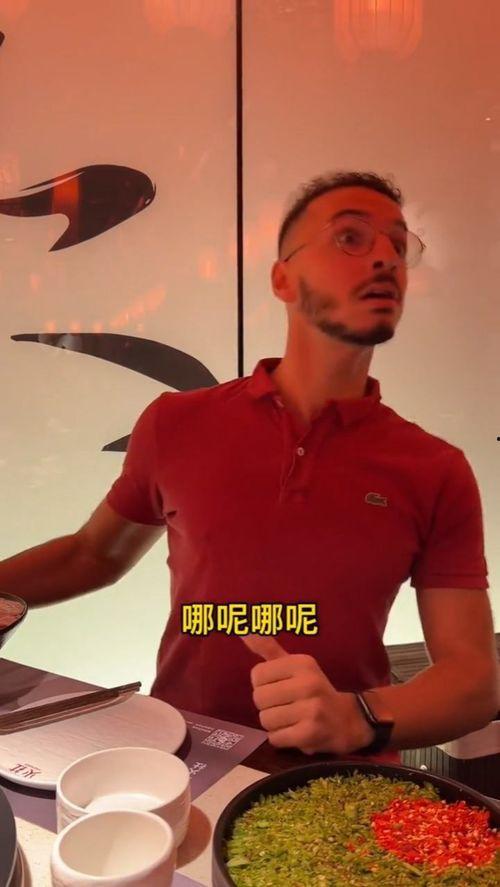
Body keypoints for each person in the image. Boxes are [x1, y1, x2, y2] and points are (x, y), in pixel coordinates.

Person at [0, 171, 497, 759]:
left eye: (398, 243)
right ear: (282, 278)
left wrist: (358, 716)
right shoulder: (176, 422)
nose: (386, 258)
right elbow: (92, 555)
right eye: (351, 237)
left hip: (341, 782)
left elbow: (473, 681)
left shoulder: (434, 468)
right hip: (182, 762)